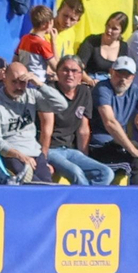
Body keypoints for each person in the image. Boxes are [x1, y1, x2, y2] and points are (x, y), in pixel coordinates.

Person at [0, 61, 67, 182]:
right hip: (10, 155)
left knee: (48, 187)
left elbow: (62, 105)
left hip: (34, 153)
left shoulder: (32, 95)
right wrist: (19, 155)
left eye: (22, 82)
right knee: (34, 186)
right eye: (14, 82)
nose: (18, 86)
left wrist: (39, 84)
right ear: (4, 80)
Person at [90, 56, 138, 182]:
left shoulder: (134, 90)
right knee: (136, 162)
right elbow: (110, 122)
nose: (123, 79)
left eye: (128, 75)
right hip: (101, 146)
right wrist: (134, 150)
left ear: (133, 77)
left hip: (121, 145)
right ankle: (133, 201)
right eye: (119, 74)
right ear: (111, 72)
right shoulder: (102, 88)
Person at [42, 55, 115, 186]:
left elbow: (83, 130)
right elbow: (46, 130)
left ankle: (89, 202)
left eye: (75, 71)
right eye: (65, 70)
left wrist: (84, 157)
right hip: (51, 149)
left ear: (81, 75)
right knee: (76, 172)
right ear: (57, 72)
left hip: (70, 150)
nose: (70, 74)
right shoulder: (49, 91)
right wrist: (43, 160)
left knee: (106, 172)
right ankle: (86, 204)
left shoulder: (84, 91)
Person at [79, 11, 129, 82]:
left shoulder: (123, 47)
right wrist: (89, 80)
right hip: (90, 81)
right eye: (108, 25)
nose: (109, 30)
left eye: (114, 29)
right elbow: (79, 67)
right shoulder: (92, 41)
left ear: (121, 32)